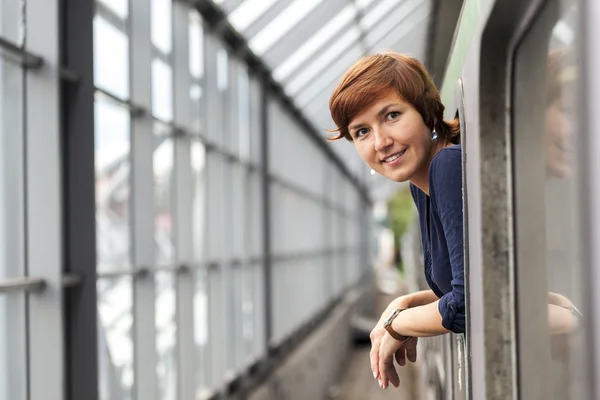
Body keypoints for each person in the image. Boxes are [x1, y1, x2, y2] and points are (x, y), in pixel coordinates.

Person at [328, 51, 463, 390]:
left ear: (426, 112)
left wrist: (399, 326)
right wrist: (404, 302)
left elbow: (469, 303)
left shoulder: (447, 166)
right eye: (361, 132)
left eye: (391, 115)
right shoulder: (423, 185)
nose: (381, 142)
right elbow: (468, 285)